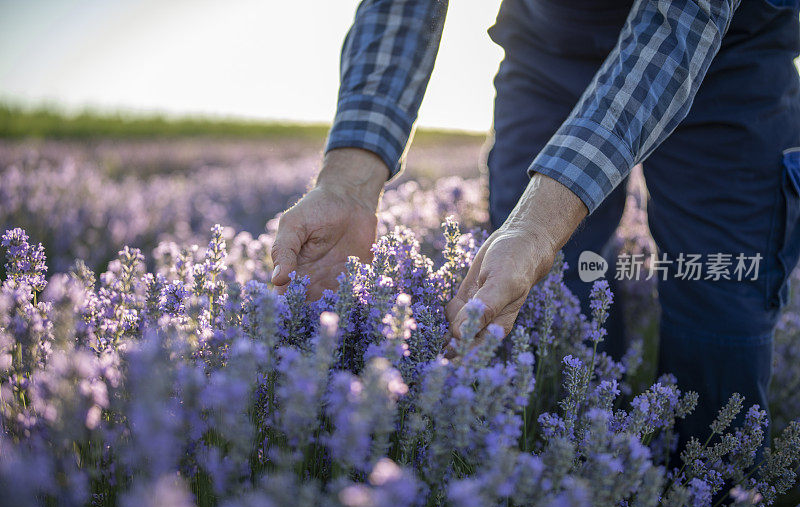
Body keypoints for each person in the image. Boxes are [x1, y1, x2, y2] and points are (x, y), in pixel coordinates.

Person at [271, 0, 800, 451]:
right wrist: (347, 185)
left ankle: (706, 503)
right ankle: (578, 475)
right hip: (550, 50)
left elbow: (677, 23)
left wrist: (538, 226)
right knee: (544, 303)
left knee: (720, 310)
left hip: (730, 52)